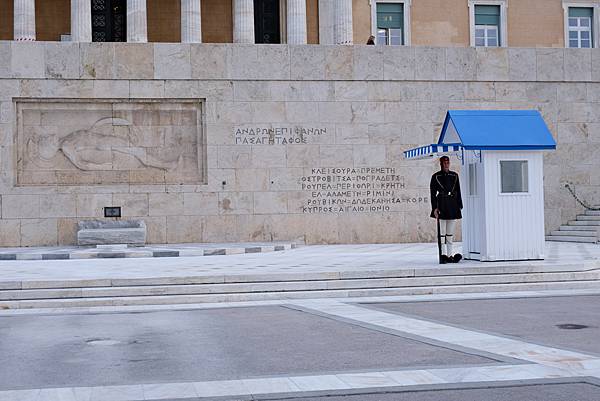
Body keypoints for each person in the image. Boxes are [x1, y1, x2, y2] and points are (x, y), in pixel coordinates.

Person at [430, 156, 463, 264]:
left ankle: (450, 255)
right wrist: (435, 208)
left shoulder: (454, 175)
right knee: (442, 233)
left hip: (452, 205)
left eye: (447, 162)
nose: (446, 164)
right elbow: (433, 194)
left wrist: (459, 206)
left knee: (450, 233)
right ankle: (443, 255)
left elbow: (458, 191)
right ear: (440, 164)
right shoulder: (436, 176)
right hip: (442, 205)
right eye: (444, 162)